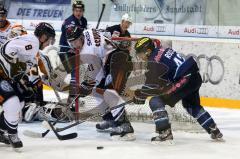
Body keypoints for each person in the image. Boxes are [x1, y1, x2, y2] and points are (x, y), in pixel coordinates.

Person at [133, 37, 223, 143]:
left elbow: (150, 84)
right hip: (194, 77)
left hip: (184, 79)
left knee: (155, 101)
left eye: (140, 53)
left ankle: (165, 133)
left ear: (147, 51)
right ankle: (213, 129)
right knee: (191, 105)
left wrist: (140, 95)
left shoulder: (153, 60)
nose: (139, 56)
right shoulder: (163, 50)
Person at [65, 26, 135, 140]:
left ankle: (125, 127)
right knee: (98, 91)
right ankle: (110, 119)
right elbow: (105, 32)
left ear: (81, 37)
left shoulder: (87, 52)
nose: (74, 45)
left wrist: (85, 86)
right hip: (115, 61)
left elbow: (95, 76)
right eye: (71, 42)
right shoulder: (87, 31)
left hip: (118, 62)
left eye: (75, 41)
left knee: (109, 93)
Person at [0, 22, 56, 148]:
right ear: (43, 37)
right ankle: (12, 134)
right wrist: (13, 64)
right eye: (49, 39)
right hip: (1, 74)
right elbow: (5, 50)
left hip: (6, 77)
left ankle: (1, 130)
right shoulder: (33, 42)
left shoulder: (33, 48)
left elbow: (26, 70)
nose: (49, 43)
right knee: (12, 102)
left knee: (20, 103)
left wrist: (32, 87)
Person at [95, 13, 133, 131]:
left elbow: (127, 52)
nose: (127, 24)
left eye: (129, 23)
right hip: (107, 66)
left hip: (118, 69)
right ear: (122, 21)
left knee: (112, 93)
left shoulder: (127, 35)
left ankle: (119, 122)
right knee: (100, 92)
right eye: (125, 22)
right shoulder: (112, 29)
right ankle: (109, 119)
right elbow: (102, 38)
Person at [59, 0, 87, 105]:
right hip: (66, 51)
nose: (78, 13)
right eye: (76, 10)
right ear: (73, 11)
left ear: (83, 11)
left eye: (80, 10)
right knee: (75, 73)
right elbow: (69, 38)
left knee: (78, 73)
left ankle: (73, 98)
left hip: (76, 51)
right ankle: (71, 100)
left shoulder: (83, 20)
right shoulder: (69, 22)